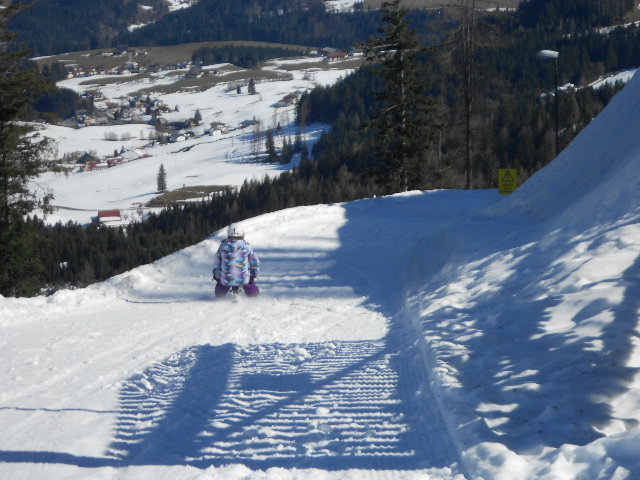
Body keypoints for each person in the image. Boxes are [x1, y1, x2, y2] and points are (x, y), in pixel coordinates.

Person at [212, 223, 260, 298]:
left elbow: (217, 262)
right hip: (243, 278)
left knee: (220, 288)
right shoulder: (246, 246)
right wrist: (253, 275)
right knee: (250, 287)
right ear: (242, 233)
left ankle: (219, 296)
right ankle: (253, 296)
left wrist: (217, 276)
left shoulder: (223, 246)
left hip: (226, 279)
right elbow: (254, 261)